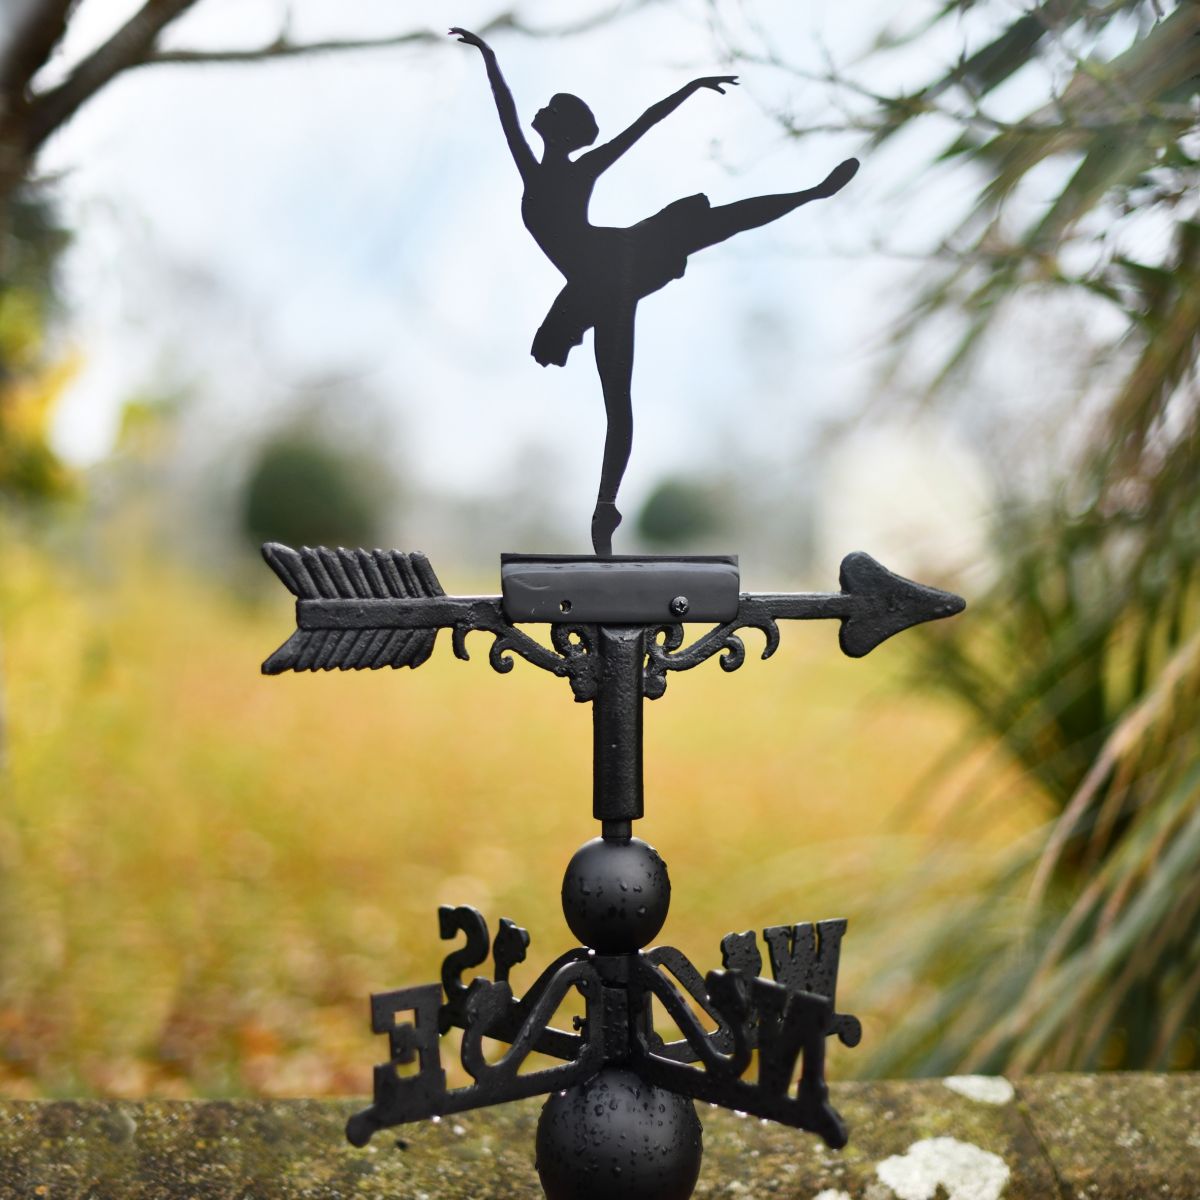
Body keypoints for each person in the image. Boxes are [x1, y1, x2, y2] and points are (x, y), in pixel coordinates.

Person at [451, 27, 859, 555]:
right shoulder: (535, 169)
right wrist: (487, 54)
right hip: (596, 283)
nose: (538, 116)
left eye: (551, 113)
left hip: (617, 260)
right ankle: (605, 508)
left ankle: (813, 192)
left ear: (560, 130)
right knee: (616, 402)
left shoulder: (578, 170)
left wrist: (690, 89)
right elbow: (504, 105)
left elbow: (643, 124)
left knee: (713, 223)